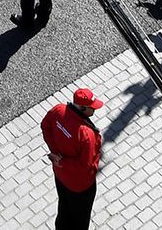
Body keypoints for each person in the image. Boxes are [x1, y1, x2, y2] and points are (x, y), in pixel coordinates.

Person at [42, 86, 104, 230]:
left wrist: (56, 153)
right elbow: (85, 166)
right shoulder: (87, 134)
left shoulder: (58, 110)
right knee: (80, 220)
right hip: (80, 186)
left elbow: (45, 126)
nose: (94, 110)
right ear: (82, 108)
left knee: (64, 207)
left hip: (60, 175)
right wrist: (61, 160)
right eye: (91, 108)